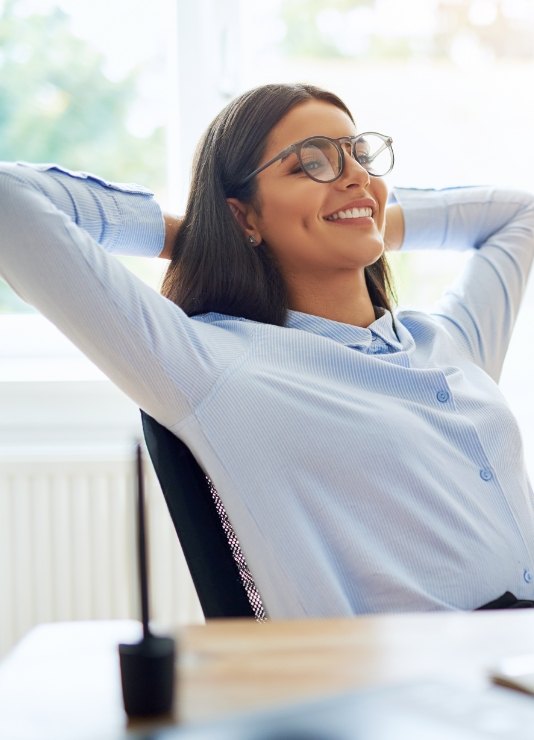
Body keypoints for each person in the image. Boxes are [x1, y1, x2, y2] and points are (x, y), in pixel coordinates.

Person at [1, 82, 534, 619]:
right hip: (420, 688)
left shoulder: (446, 344)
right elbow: (9, 198)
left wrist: (365, 215)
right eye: (310, 164)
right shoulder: (214, 367)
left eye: (360, 156)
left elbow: (520, 215)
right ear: (244, 217)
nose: (355, 175)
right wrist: (197, 237)